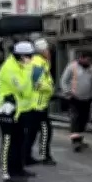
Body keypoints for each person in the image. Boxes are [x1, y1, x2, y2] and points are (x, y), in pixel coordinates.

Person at [0, 41, 35, 182]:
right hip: (6, 109)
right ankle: (7, 172)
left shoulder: (22, 66)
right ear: (21, 56)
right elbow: (23, 88)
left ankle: (18, 169)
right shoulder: (10, 68)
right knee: (8, 142)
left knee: (20, 141)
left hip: (19, 110)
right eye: (29, 56)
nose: (31, 59)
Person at [24, 38, 56, 166]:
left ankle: (26, 157)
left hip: (36, 103)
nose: (49, 52)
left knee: (32, 132)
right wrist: (49, 88)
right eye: (47, 49)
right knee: (46, 130)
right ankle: (45, 156)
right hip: (38, 104)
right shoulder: (38, 63)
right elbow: (35, 83)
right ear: (42, 50)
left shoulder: (40, 62)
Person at [60, 50, 92, 153]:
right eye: (88, 59)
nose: (89, 61)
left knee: (84, 120)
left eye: (91, 60)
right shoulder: (72, 67)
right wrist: (67, 92)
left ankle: (79, 139)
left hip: (87, 99)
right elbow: (64, 81)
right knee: (75, 119)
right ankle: (75, 141)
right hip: (74, 98)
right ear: (82, 58)